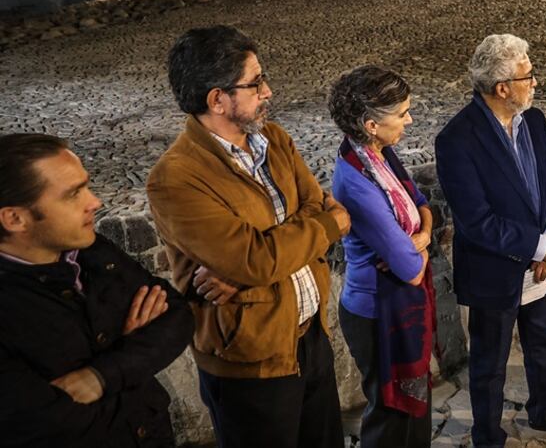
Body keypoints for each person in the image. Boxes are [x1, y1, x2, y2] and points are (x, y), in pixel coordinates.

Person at [146, 25, 351, 448]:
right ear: (217, 99)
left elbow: (309, 208)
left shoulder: (274, 140)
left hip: (310, 335)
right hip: (251, 360)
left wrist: (253, 265)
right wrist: (327, 228)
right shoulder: (176, 178)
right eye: (255, 82)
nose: (268, 91)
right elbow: (262, 256)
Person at [435, 34, 546, 447]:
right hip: (494, 271)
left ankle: (545, 412)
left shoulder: (534, 121)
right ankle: (487, 437)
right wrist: (539, 247)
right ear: (502, 88)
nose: (535, 83)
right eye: (528, 76)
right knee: (490, 363)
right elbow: (476, 222)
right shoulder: (456, 140)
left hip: (542, 262)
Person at [0, 133, 192, 448]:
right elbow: (49, 423)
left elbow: (176, 315)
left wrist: (100, 375)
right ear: (15, 218)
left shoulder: (90, 251)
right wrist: (131, 358)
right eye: (73, 194)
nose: (95, 202)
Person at [328, 66, 434, 447]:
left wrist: (418, 239)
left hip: (396, 305)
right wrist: (416, 249)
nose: (409, 119)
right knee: (391, 414)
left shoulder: (379, 155)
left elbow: (423, 205)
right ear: (371, 124)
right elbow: (408, 272)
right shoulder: (357, 182)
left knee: (415, 407)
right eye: (402, 112)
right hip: (376, 313)